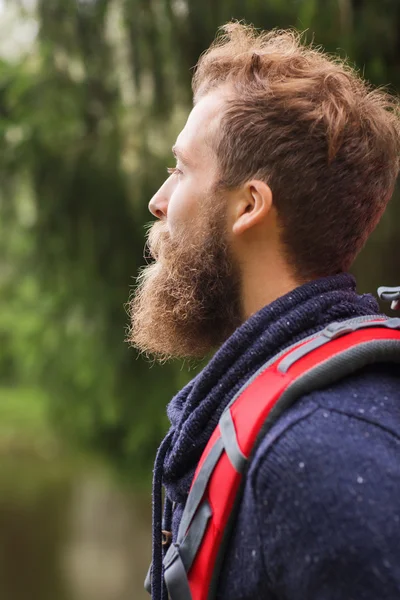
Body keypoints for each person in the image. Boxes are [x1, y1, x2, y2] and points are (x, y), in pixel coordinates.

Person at [128, 22, 400, 600]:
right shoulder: (305, 430)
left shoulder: (316, 455)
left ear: (249, 204)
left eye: (180, 169)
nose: (159, 201)